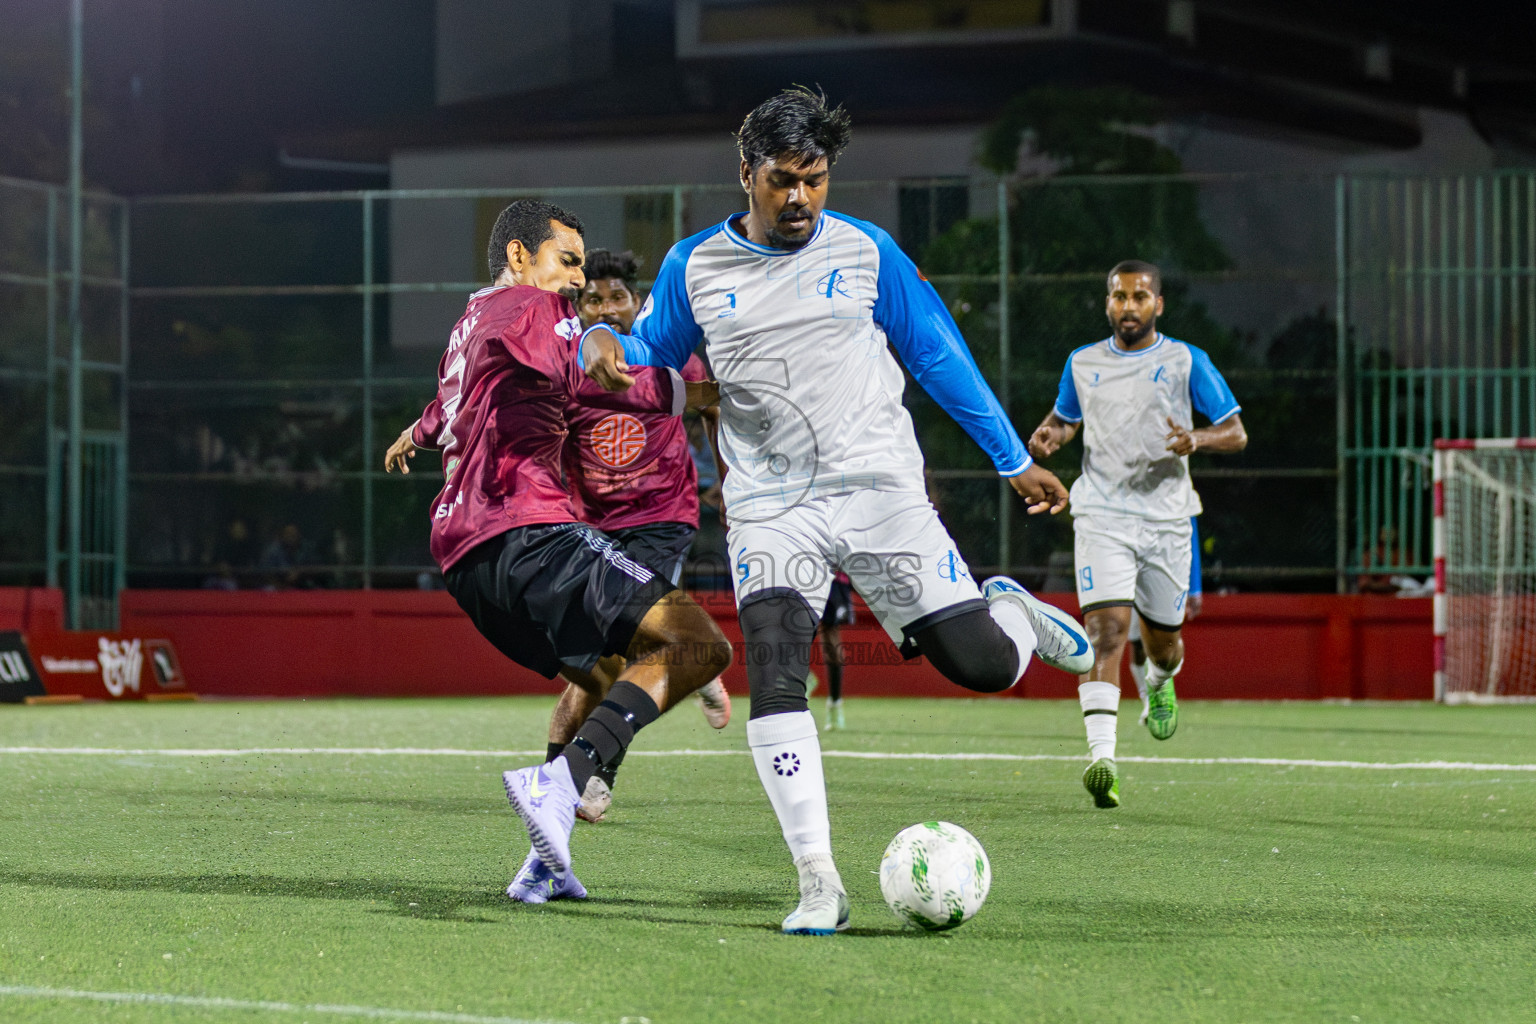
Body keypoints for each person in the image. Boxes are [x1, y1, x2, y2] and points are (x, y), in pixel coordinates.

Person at [582, 87, 1094, 935]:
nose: (800, 199)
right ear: (747, 174)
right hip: (771, 508)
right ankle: (819, 880)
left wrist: (1013, 458)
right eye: (783, 180)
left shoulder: (867, 252)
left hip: (882, 492)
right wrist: (597, 343)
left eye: (815, 180)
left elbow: (936, 352)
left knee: (981, 667)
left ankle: (1012, 614)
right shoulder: (693, 266)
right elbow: (644, 355)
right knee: (778, 669)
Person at [384, 200, 731, 904]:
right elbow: (577, 360)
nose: (576, 278)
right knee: (698, 648)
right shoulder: (527, 306)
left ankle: (546, 857)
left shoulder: (474, 320)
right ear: (519, 257)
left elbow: (471, 399)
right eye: (567, 261)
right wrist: (606, 349)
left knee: (604, 671)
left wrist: (675, 389)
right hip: (524, 528)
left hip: (467, 559)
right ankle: (560, 784)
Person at [1028, 260, 1247, 810]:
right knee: (1104, 630)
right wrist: (1051, 434)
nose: (1128, 306)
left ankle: (1158, 679)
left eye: (1140, 297)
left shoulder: (1184, 360)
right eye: (1119, 297)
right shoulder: (1083, 362)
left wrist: (1197, 438)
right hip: (1101, 511)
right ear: (1107, 303)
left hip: (1167, 518)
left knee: (1163, 644)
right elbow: (1065, 418)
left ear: (1159, 305)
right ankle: (1102, 760)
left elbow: (1236, 433)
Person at [547, 248, 732, 824]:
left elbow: (712, 400)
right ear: (580, 309)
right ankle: (694, 661)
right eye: (593, 298)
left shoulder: (669, 358)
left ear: (636, 302)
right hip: (593, 527)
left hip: (662, 516)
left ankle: (593, 776)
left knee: (624, 648)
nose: (607, 306)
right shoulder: (566, 368)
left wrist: (726, 477)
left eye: (617, 296)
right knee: (592, 660)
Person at [1128, 517, 1202, 724]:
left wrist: (1195, 586)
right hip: (1128, 567)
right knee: (1136, 643)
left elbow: (1190, 532)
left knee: (1164, 641)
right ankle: (1149, 701)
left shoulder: (1174, 490)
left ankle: (1160, 681)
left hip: (1166, 567)